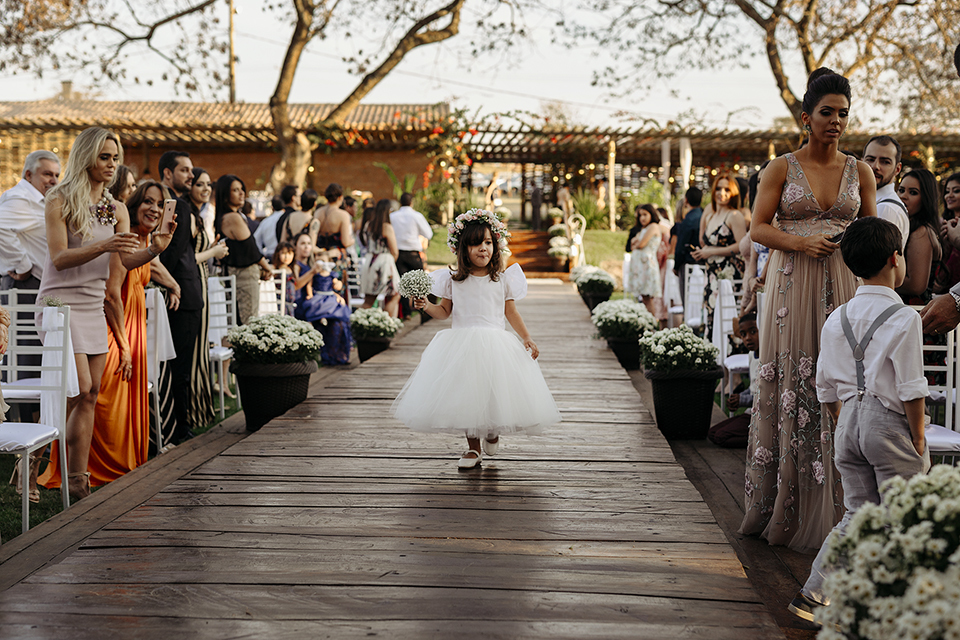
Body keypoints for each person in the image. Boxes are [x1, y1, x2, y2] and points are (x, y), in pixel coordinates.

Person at [739, 68, 877, 552]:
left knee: (843, 379)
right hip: (790, 285)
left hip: (845, 281)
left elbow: (872, 236)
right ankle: (785, 503)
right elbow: (757, 228)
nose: (836, 120)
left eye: (843, 113)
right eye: (827, 112)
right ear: (806, 117)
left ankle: (846, 502)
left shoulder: (859, 171)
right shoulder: (780, 167)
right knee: (796, 380)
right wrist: (800, 240)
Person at [788, 217, 928, 622]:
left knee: (858, 512)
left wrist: (842, 419)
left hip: (847, 421)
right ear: (895, 259)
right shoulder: (905, 318)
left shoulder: (837, 317)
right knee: (905, 515)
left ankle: (814, 595)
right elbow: (912, 387)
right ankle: (899, 605)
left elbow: (824, 384)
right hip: (888, 424)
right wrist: (918, 437)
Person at [36, 127, 174, 500]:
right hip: (59, 305)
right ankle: (35, 463)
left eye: (115, 158)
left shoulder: (116, 209)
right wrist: (106, 243)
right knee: (78, 388)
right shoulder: (58, 199)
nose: (112, 165)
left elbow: (125, 260)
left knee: (91, 394)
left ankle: (78, 481)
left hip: (93, 305)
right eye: (105, 157)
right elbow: (60, 258)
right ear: (87, 158)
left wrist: (153, 249)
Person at [392, 208, 561, 468]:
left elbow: (510, 311)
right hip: (462, 344)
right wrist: (426, 305)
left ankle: (493, 431)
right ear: (463, 249)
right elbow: (444, 311)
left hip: (496, 344)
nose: (483, 249)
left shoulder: (502, 279)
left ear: (495, 246)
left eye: (488, 243)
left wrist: (526, 337)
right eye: (476, 244)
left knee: (494, 392)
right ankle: (473, 448)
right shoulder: (454, 281)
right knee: (466, 394)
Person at [87, 181, 179, 484]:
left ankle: (129, 460)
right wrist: (125, 347)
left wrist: (173, 284)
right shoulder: (126, 241)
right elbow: (111, 296)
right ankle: (97, 467)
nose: (154, 209)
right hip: (117, 333)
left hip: (135, 330)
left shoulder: (145, 242)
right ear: (135, 204)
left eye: (160, 204)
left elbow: (152, 268)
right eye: (148, 202)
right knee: (108, 399)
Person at [156, 150, 202, 445]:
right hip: (183, 293)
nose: (191, 175)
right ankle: (178, 426)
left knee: (179, 367)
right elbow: (170, 253)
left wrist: (164, 284)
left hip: (181, 294)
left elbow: (172, 254)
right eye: (184, 170)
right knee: (177, 367)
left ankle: (180, 428)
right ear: (167, 173)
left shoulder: (180, 207)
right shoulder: (174, 204)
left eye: (191, 170)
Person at [187, 167, 228, 421]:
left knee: (202, 347)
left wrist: (212, 249)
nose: (205, 189)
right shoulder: (189, 214)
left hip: (203, 282)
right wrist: (213, 253)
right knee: (195, 350)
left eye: (207, 184)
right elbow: (187, 258)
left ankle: (202, 406)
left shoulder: (200, 215)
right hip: (193, 283)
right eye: (199, 184)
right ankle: (194, 409)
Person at [691, 173, 746, 334]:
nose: (722, 193)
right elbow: (706, 243)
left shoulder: (735, 216)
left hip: (728, 277)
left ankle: (728, 357)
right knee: (711, 317)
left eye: (727, 190)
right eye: (719, 189)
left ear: (733, 193)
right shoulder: (710, 216)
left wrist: (712, 252)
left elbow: (741, 246)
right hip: (710, 275)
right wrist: (702, 253)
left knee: (726, 322)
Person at [0, 150, 60, 295]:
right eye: (47, 174)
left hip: (37, 283)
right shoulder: (20, 198)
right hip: (25, 283)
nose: (54, 181)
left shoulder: (41, 200)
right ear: (28, 175)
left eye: (56, 175)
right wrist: (23, 266)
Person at [214, 174, 272, 325]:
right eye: (235, 190)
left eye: (242, 189)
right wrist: (267, 267)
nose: (241, 193)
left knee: (241, 322)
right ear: (226, 195)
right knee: (247, 323)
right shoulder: (232, 217)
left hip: (236, 274)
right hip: (243, 276)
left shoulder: (226, 216)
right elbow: (251, 248)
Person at [292, 238, 352, 365]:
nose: (306, 247)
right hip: (306, 303)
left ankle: (336, 355)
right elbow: (296, 285)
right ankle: (325, 355)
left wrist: (336, 294)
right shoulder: (298, 266)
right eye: (303, 243)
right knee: (328, 323)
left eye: (309, 243)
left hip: (323, 300)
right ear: (295, 246)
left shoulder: (316, 266)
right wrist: (313, 272)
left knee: (340, 322)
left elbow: (330, 285)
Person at [707, 311, 760, 449]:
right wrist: (740, 396)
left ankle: (760, 441)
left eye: (753, 332)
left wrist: (743, 400)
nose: (748, 338)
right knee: (712, 433)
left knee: (721, 437)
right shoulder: (751, 355)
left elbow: (765, 395)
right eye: (743, 334)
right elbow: (754, 387)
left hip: (761, 413)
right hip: (751, 410)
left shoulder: (766, 357)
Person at [919, 172, 960, 334]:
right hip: (943, 297)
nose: (949, 195)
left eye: (956, 190)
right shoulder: (942, 224)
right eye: (947, 191)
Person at [895, 169, 943, 303]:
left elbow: (916, 286)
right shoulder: (908, 226)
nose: (903, 196)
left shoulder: (921, 233)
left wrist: (876, 280)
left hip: (914, 311)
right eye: (901, 190)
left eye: (913, 193)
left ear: (926, 199)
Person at [863, 135, 909, 251]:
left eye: (885, 162)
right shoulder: (872, 201)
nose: (875, 166)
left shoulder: (886, 209)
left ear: (897, 169)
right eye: (870, 159)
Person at [391, 192, 433, 318]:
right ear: (411, 202)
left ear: (400, 202)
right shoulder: (416, 216)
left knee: (402, 284)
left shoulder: (393, 216)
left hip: (398, 253)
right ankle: (422, 311)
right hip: (413, 253)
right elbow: (428, 234)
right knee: (419, 284)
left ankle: (406, 313)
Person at [358, 198, 400, 317]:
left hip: (370, 261)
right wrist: (392, 263)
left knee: (369, 300)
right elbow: (394, 251)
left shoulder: (368, 225)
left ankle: (358, 323)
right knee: (395, 295)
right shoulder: (386, 227)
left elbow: (366, 243)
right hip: (384, 261)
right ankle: (388, 323)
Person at [626, 204, 662, 315]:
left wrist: (636, 243)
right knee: (644, 298)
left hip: (647, 266)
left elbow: (641, 244)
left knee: (648, 298)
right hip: (640, 267)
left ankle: (651, 325)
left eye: (645, 214)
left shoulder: (654, 227)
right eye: (640, 215)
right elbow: (631, 245)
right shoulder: (643, 229)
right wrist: (635, 244)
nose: (642, 218)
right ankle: (647, 323)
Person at [671, 187, 703, 305]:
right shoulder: (703, 215)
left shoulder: (688, 220)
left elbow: (681, 246)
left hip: (689, 264)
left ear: (686, 200)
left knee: (688, 299)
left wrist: (676, 265)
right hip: (703, 262)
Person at [254, 185, 299, 260]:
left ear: (272, 207)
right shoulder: (288, 217)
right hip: (288, 256)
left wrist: (261, 255)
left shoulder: (265, 222)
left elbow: (256, 239)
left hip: (270, 255)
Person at [270, 241, 297, 316]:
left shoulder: (294, 269)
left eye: (289, 254)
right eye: (283, 253)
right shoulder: (275, 269)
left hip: (290, 304)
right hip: (278, 302)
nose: (286, 257)